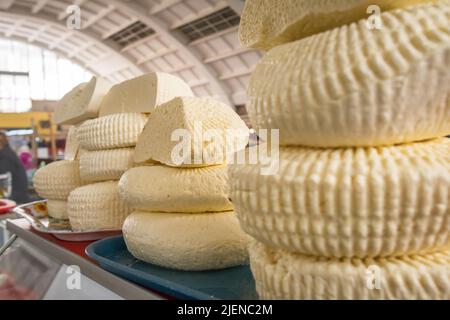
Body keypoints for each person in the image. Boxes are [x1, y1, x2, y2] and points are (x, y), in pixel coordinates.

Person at [0, 131, 30, 204]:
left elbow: (4, 186)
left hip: (15, 201)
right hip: (15, 197)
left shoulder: (5, 158)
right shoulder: (7, 154)